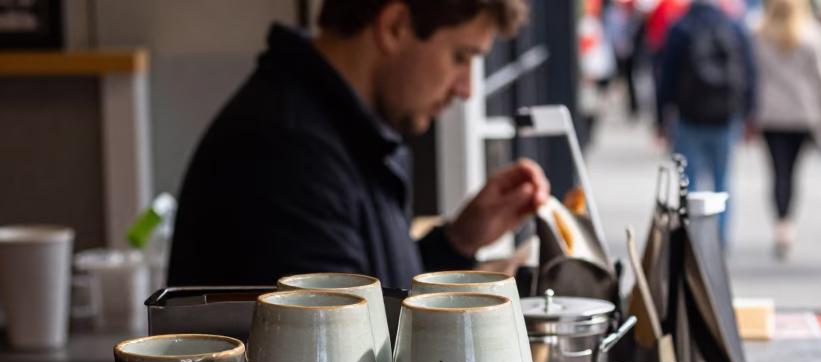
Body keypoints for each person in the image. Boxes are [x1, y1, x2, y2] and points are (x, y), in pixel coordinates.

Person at [168, 0, 550, 289]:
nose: (466, 89)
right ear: (396, 26)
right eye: (460, 57)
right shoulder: (290, 151)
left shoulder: (344, 128)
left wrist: (457, 242)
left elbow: (376, 292)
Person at [655, 0, 756, 241]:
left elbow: (664, 78)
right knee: (722, 182)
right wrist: (748, 113)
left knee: (688, 185)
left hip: (688, 118)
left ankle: (693, 240)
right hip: (725, 118)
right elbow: (750, 74)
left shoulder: (680, 29)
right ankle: (719, 241)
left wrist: (660, 119)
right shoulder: (734, 26)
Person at [752, 0, 821, 259]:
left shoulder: (760, 36)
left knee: (779, 171)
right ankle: (787, 222)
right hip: (803, 114)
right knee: (792, 172)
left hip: (770, 114)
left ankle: (782, 222)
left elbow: (751, 78)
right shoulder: (813, 36)